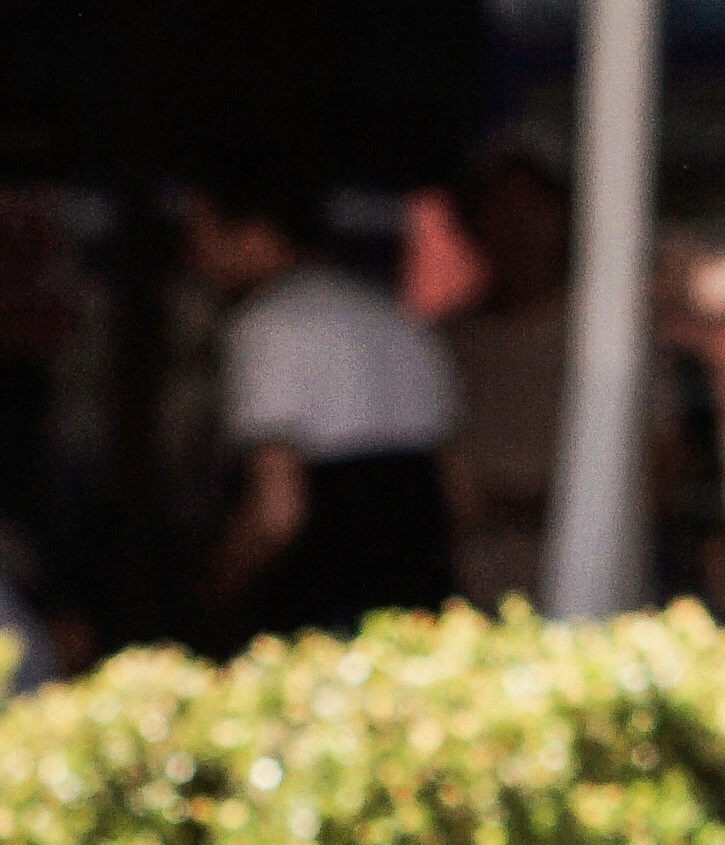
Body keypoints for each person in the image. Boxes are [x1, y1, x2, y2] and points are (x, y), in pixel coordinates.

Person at [183, 169, 458, 644]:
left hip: (323, 623)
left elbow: (278, 513)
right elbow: (459, 491)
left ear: (256, 234)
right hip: (419, 611)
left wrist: (208, 597)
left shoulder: (270, 323)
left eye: (204, 235)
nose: (196, 257)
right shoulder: (399, 318)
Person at [443, 139, 573, 608]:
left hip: (582, 600)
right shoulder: (449, 342)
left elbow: (655, 481)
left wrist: (508, 508)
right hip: (463, 601)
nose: (516, 228)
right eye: (499, 209)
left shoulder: (605, 345)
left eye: (531, 210)